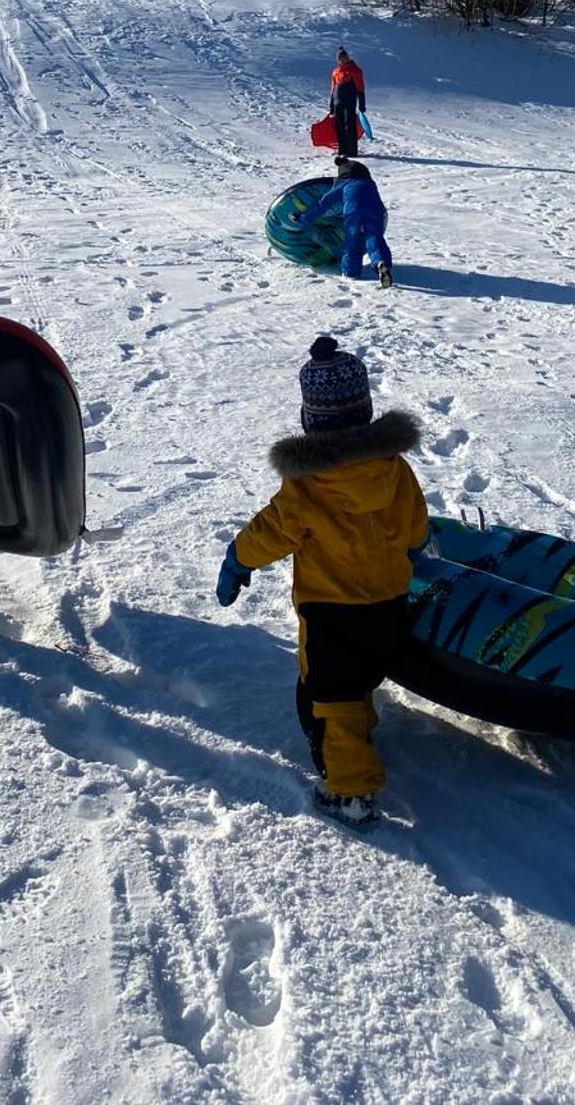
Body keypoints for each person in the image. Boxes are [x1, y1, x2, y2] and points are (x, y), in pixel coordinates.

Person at [215, 337, 427, 826]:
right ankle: (360, 725)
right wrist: (407, 548)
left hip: (332, 610)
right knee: (362, 675)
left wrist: (239, 559)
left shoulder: (308, 487)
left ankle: (350, 792)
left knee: (332, 696)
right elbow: (416, 525)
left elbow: (273, 530)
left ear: (312, 419)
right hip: (391, 599)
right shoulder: (396, 470)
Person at [299, 161, 393, 286]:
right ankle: (381, 262)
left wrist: (304, 219)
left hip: (354, 213)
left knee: (352, 241)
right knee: (374, 238)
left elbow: (324, 203)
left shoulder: (344, 183)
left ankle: (351, 273)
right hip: (376, 211)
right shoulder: (370, 183)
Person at [329, 48, 366, 160]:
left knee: (349, 126)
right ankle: (342, 149)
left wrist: (362, 103)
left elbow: (360, 88)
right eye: (339, 59)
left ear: (347, 58)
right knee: (338, 126)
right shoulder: (335, 72)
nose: (341, 60)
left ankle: (352, 151)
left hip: (349, 102)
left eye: (343, 58)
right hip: (337, 102)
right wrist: (331, 105)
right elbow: (333, 89)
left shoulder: (355, 70)